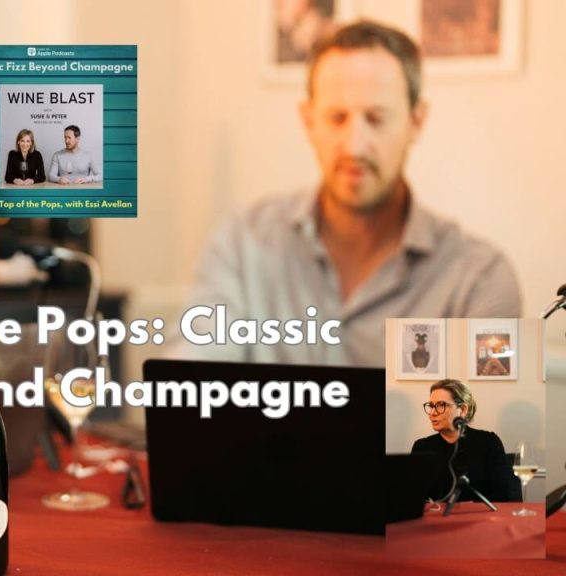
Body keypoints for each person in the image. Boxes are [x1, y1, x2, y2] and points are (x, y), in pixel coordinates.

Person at [175, 21, 520, 367]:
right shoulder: (242, 244)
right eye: (337, 118)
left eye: (376, 118)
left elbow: (490, 399)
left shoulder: (479, 278)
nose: (354, 146)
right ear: (308, 121)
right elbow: (191, 375)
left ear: (416, 121)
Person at [411, 379, 519, 504]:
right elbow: (413, 496)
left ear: (462, 409)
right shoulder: (422, 447)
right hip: (437, 515)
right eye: (431, 406)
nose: (433, 413)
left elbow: (505, 494)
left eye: (440, 405)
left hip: (481, 515)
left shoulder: (488, 442)